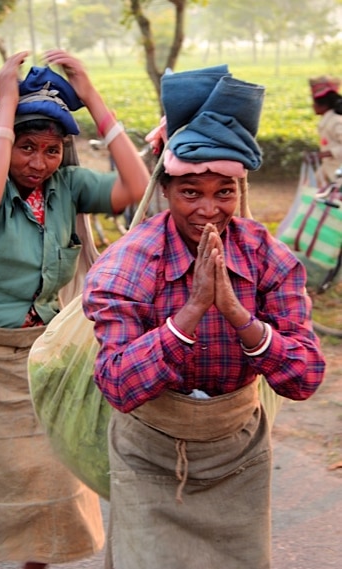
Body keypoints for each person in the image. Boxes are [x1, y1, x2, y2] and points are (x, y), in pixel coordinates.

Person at [82, 65, 326, 569]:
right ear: (166, 192)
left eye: (224, 192)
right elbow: (118, 386)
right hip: (148, 453)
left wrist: (240, 317)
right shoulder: (130, 263)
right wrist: (189, 314)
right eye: (191, 192)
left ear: (240, 193)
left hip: (237, 454)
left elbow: (304, 378)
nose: (209, 209)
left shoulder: (267, 260)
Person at [0, 49, 149, 569]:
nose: (38, 162)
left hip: (40, 368)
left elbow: (137, 190)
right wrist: (6, 101)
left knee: (46, 507)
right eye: (26, 146)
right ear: (2, 141)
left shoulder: (66, 188)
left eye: (51, 150)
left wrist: (93, 97)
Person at [309, 75, 342, 186]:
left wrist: (323, 154)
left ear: (323, 106)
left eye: (314, 103)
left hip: (338, 169)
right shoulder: (328, 120)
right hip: (329, 167)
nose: (312, 106)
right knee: (311, 188)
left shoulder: (336, 121)